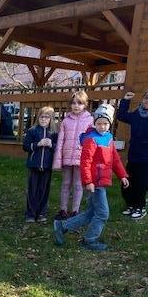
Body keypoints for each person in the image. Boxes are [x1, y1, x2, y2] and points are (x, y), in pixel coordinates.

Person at [53, 103, 129, 251]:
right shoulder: (91, 139)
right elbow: (85, 162)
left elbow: (115, 159)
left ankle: (62, 226)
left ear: (110, 124)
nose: (102, 127)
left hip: (101, 181)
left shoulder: (108, 138)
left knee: (91, 212)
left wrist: (122, 175)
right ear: (94, 123)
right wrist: (88, 181)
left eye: (105, 123)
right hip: (94, 182)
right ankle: (90, 240)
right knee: (103, 213)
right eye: (99, 123)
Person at [53, 90, 93, 219]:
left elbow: (91, 142)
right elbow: (60, 141)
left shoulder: (90, 121)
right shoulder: (66, 121)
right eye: (74, 103)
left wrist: (88, 159)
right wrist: (58, 159)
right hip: (66, 157)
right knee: (65, 183)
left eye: (79, 103)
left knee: (78, 184)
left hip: (81, 158)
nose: (76, 106)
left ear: (85, 104)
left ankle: (75, 211)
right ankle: (63, 210)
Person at [116, 89, 148, 220]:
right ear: (143, 99)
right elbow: (121, 116)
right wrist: (125, 100)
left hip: (145, 158)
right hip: (133, 155)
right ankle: (130, 205)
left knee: (141, 184)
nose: (147, 101)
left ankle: (140, 207)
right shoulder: (136, 114)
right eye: (146, 98)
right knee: (128, 182)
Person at [22, 106, 57, 223]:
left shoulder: (53, 133)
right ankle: (31, 214)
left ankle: (42, 213)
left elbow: (57, 148)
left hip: (47, 166)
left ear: (51, 119)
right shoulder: (32, 131)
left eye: (46, 117)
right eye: (41, 117)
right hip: (34, 165)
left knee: (44, 190)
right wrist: (38, 144)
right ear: (38, 118)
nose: (43, 119)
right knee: (32, 190)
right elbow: (25, 146)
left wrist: (51, 145)